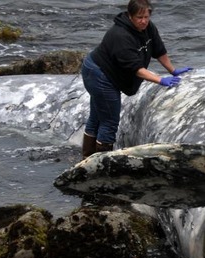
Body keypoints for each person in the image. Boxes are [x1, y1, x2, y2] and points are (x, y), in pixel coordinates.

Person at [80, 0, 191, 158]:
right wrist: (160, 80)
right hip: (99, 74)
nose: (144, 20)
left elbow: (159, 50)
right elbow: (136, 69)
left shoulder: (148, 27)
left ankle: (87, 158)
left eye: (146, 16)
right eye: (140, 17)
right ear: (130, 16)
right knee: (109, 122)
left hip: (105, 71)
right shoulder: (120, 35)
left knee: (98, 115)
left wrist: (173, 71)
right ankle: (101, 163)